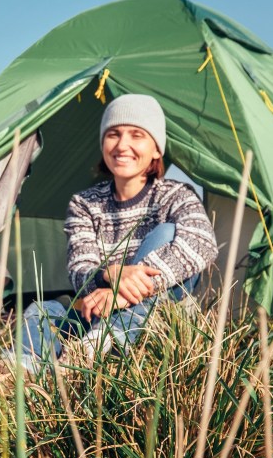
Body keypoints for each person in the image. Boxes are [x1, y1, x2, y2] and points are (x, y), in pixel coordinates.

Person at [16, 93, 218, 372]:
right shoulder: (85, 203)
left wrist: (123, 296)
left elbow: (203, 243)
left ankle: (98, 345)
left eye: (137, 135)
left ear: (157, 149)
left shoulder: (175, 195)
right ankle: (24, 369)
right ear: (103, 145)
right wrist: (110, 273)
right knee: (41, 310)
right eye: (113, 134)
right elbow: (79, 269)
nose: (123, 145)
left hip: (156, 318)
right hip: (95, 313)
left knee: (166, 233)